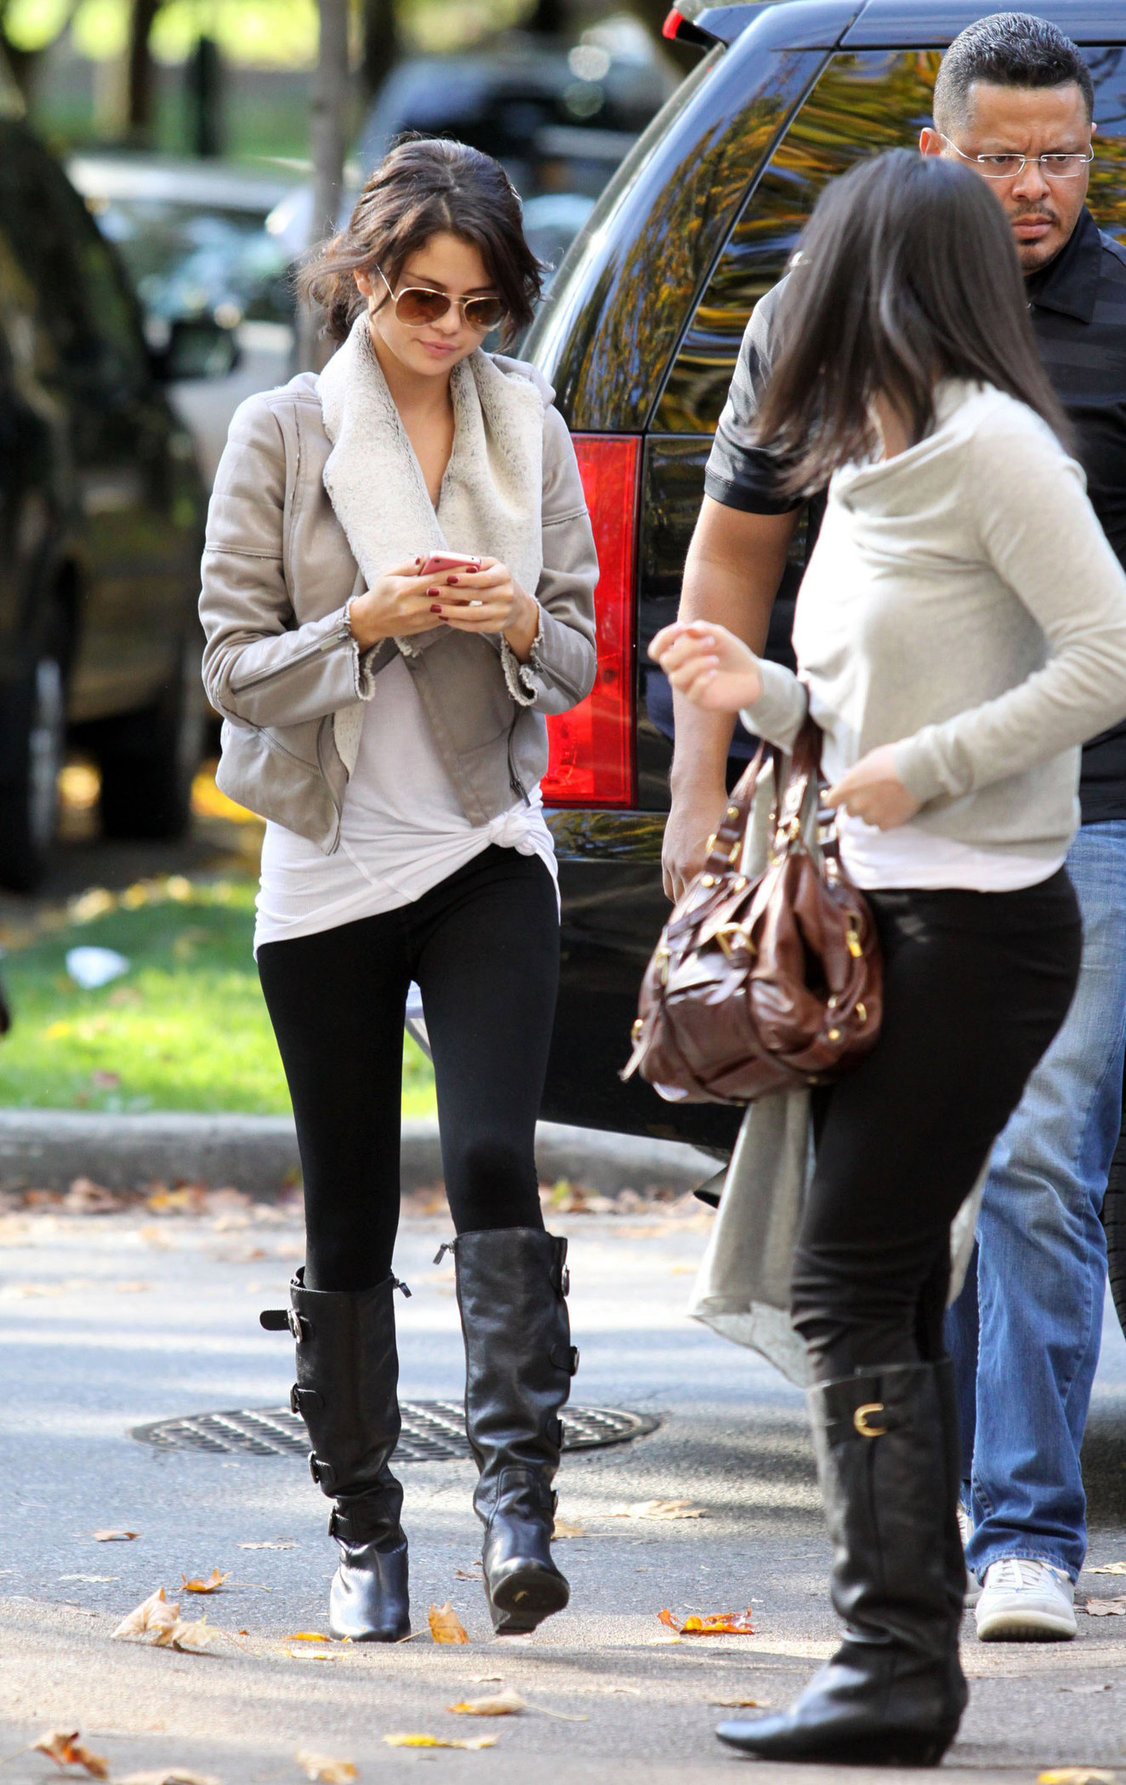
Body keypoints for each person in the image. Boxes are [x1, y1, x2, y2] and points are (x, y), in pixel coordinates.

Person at [650, 148, 1126, 1764]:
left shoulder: (999, 452)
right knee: (873, 1281)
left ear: (885, 284)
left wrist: (927, 770)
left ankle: (890, 1661)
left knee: (847, 1275)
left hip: (982, 929)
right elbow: (867, 704)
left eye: (828, 273)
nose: (802, 305)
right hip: (885, 911)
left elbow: (1107, 653)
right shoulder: (871, 458)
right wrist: (757, 690)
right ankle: (894, 1653)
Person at [198, 137, 597, 1643]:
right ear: (365, 276)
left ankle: (518, 1505)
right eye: (424, 299)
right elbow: (230, 667)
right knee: (347, 1205)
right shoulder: (282, 435)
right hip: (328, 860)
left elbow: (575, 652)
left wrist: (507, 619)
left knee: (495, 1155)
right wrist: (360, 623)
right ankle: (365, 1528)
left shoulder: (527, 426)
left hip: (486, 843)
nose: (450, 332)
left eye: (480, 305)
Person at [920, 16, 1126, 1644]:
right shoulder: (885, 321)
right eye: (1000, 156)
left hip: (1103, 807)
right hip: (931, 814)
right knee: (1017, 1160)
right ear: (940, 153)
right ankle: (1010, 1530)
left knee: (1041, 1160)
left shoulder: (1125, 321)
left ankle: (1014, 1525)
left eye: (1060, 154)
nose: (1034, 186)